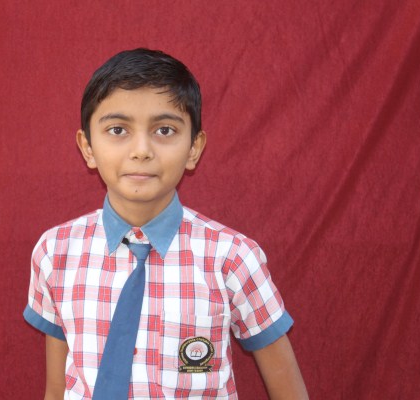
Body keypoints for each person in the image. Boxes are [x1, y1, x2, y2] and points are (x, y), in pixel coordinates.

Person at [23, 48, 308, 399]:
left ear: (194, 148)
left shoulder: (233, 258)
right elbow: (56, 390)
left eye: (164, 129)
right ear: (87, 147)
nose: (141, 150)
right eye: (117, 129)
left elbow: (289, 391)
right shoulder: (55, 252)